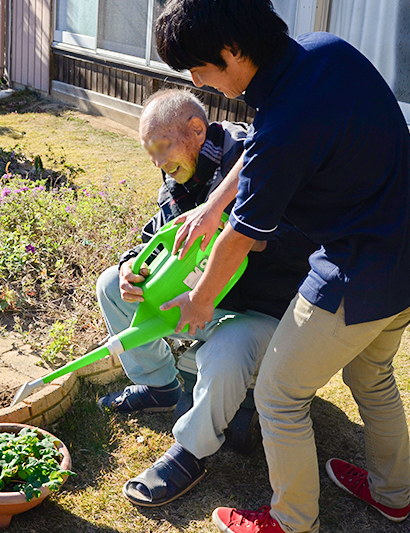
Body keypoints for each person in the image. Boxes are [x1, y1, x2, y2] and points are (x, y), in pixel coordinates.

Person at [152, 1, 410, 532]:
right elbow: (264, 143)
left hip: (357, 272)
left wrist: (199, 301)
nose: (199, 81)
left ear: (232, 50)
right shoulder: (324, 52)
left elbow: (241, 239)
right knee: (371, 373)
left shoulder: (286, 121)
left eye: (200, 67)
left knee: (279, 394)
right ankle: (392, 494)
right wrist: (210, 204)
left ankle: (290, 520)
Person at [95, 89, 316, 507]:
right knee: (110, 283)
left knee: (227, 348)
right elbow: (158, 236)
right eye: (150, 153)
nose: (158, 162)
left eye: (161, 147)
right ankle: (159, 385)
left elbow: (308, 247)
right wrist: (131, 266)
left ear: (196, 130)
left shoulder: (260, 160)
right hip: (201, 299)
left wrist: (248, 241)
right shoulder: (178, 176)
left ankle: (190, 453)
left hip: (268, 307)